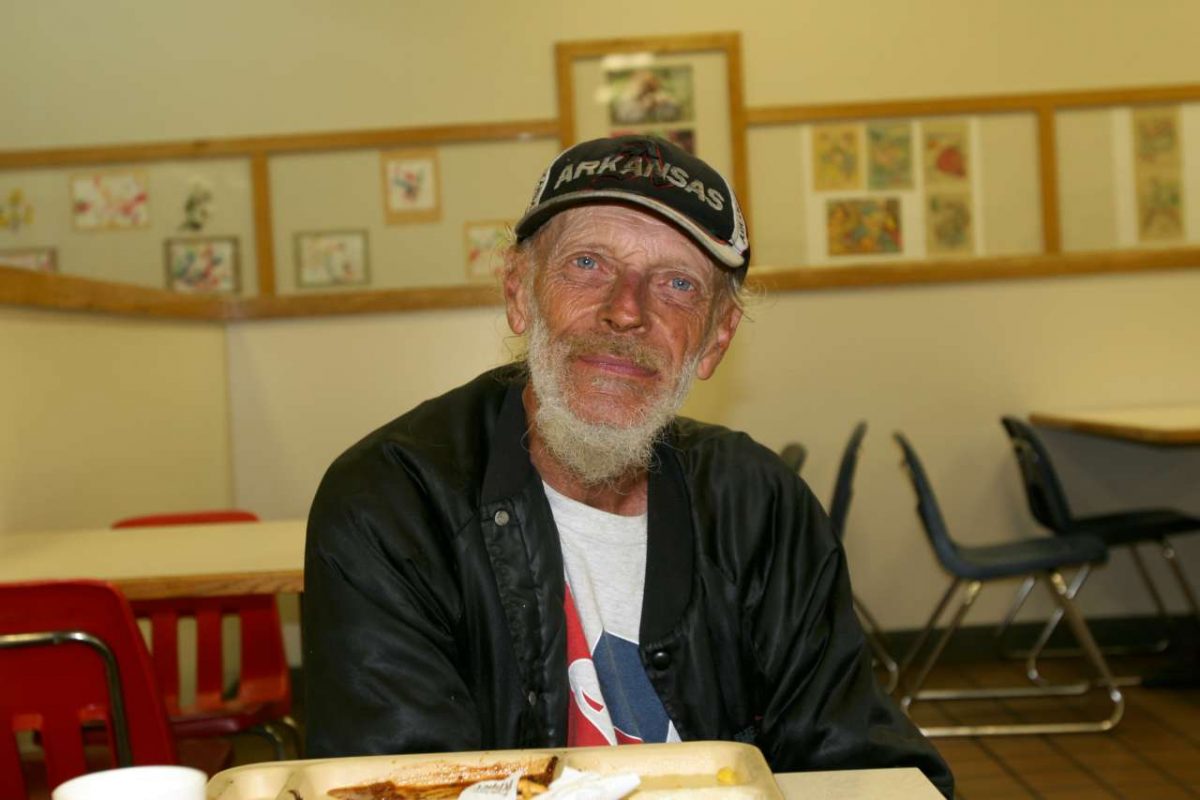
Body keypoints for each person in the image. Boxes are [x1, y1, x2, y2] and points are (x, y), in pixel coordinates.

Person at [303, 134, 953, 797]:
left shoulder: (760, 505)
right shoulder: (393, 505)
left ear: (714, 339)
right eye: (588, 263)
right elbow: (399, 780)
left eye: (677, 284)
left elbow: (857, 761)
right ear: (520, 292)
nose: (625, 310)